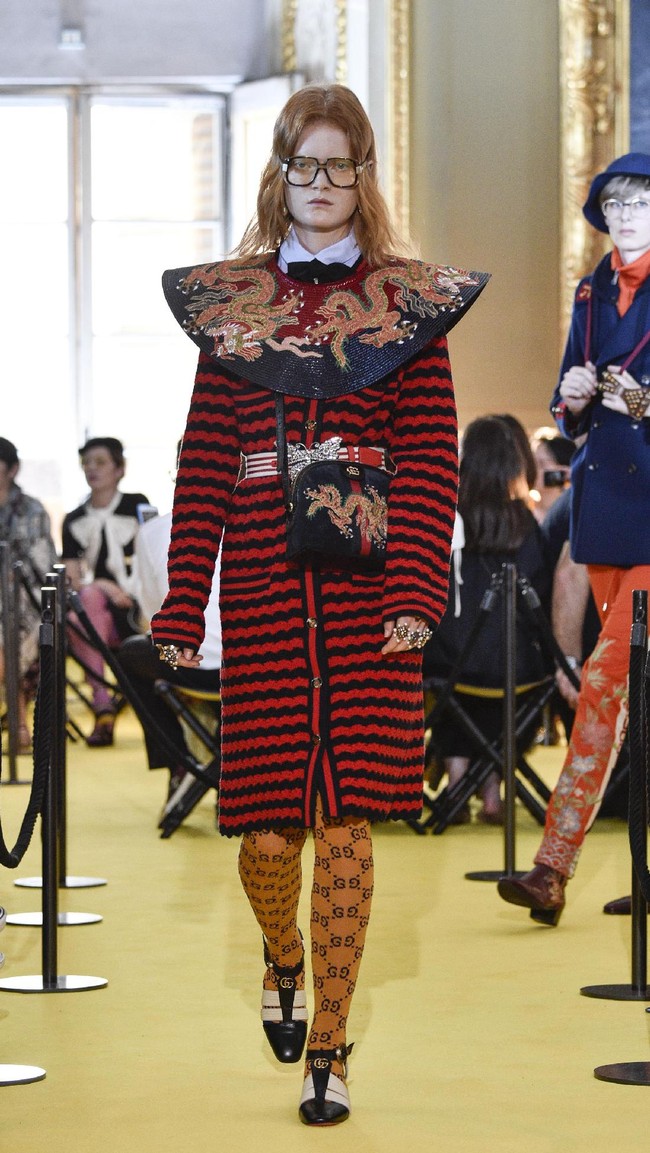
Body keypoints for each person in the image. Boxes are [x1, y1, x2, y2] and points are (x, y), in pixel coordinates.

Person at [150, 83, 488, 1125]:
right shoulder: (229, 305)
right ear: (280, 173)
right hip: (258, 594)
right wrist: (179, 603)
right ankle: (281, 951)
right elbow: (205, 461)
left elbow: (431, 458)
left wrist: (417, 592)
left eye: (341, 166)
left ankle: (329, 1047)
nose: (323, 185)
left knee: (347, 825)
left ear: (364, 175)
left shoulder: (410, 307)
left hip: (369, 602)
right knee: (264, 837)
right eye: (306, 165)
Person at [498, 152, 650, 926]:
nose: (625, 214)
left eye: (640, 202)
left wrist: (645, 400)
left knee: (604, 682)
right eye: (615, 202)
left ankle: (552, 865)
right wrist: (573, 399)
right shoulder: (592, 290)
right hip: (603, 512)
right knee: (630, 696)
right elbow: (563, 406)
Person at [423, 416, 553, 825]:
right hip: (517, 667)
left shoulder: (448, 518)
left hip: (450, 662)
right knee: (502, 678)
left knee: (452, 675)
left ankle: (459, 782)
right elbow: (540, 599)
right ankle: (492, 789)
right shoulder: (525, 523)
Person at [118, 502, 222, 818]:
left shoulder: (153, 531)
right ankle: (224, 757)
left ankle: (176, 757)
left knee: (130, 654)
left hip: (184, 660)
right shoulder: (264, 520)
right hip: (254, 666)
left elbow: (152, 618)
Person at [61, 437, 149, 746]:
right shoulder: (74, 518)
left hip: (139, 605)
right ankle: (102, 702)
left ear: (119, 469)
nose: (91, 469)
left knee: (80, 616)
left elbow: (154, 558)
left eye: (100, 462)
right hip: (98, 608)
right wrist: (105, 585)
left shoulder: (138, 504)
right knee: (82, 606)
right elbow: (72, 579)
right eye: (86, 462)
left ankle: (103, 708)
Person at [0, 437, 56, 752]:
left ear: (13, 469)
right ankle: (19, 722)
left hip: (26, 600)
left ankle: (19, 721)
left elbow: (43, 564)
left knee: (13, 634)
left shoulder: (32, 509)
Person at [529, 427, 574, 523]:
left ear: (565, 470)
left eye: (542, 463)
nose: (534, 469)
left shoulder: (572, 516)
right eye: (533, 462)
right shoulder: (526, 514)